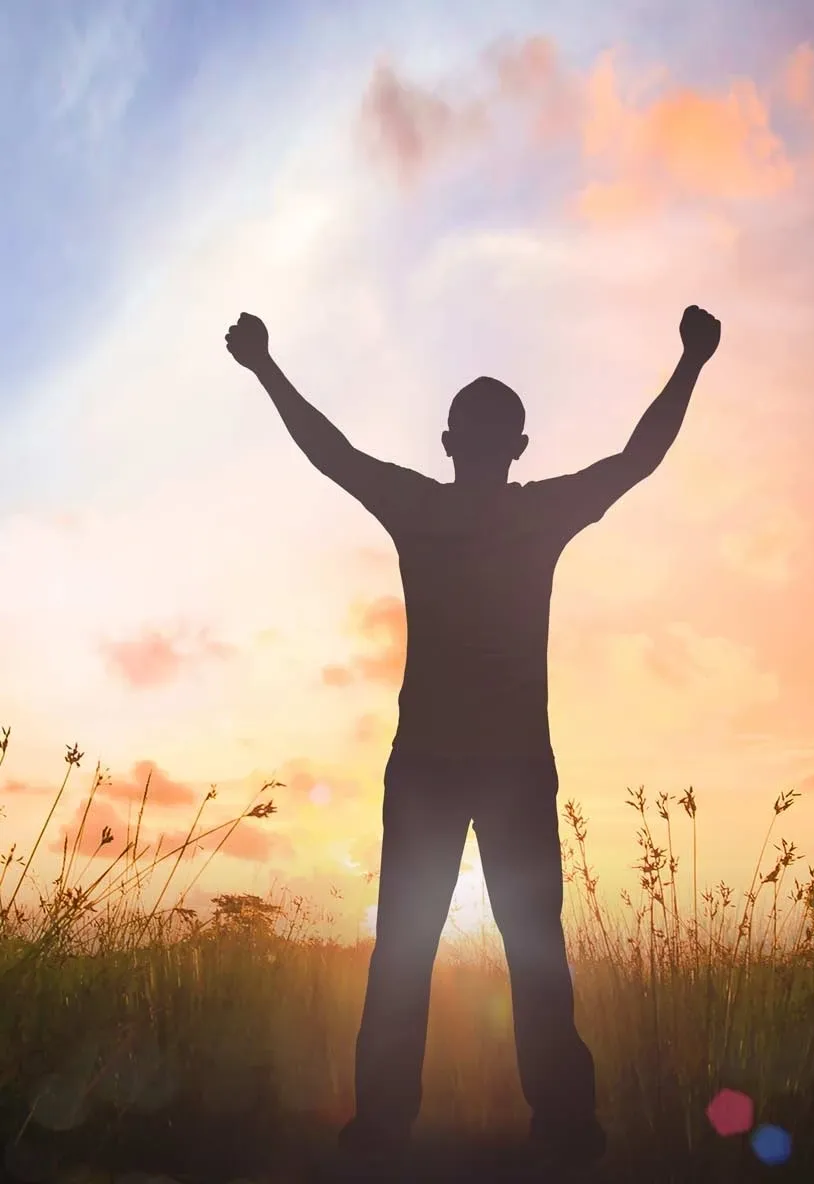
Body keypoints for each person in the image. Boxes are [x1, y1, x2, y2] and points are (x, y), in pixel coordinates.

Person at [225, 304, 721, 1166]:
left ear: (450, 444)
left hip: (436, 765)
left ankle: (385, 1134)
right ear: (517, 448)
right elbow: (637, 459)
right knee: (530, 957)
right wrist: (691, 361)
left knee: (409, 957)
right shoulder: (535, 515)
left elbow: (331, 453)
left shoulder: (422, 509)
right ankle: (561, 1134)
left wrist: (267, 367)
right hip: (507, 764)